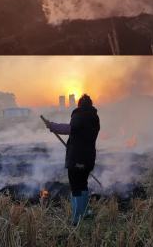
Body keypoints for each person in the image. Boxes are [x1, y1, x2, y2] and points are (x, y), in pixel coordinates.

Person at [44, 94, 100, 226]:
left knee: (75, 187)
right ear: (91, 104)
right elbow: (78, 131)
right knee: (83, 184)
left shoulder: (79, 115)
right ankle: (85, 212)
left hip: (76, 158)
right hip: (88, 158)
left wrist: (51, 125)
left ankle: (76, 218)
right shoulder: (94, 118)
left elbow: (70, 128)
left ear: (79, 104)